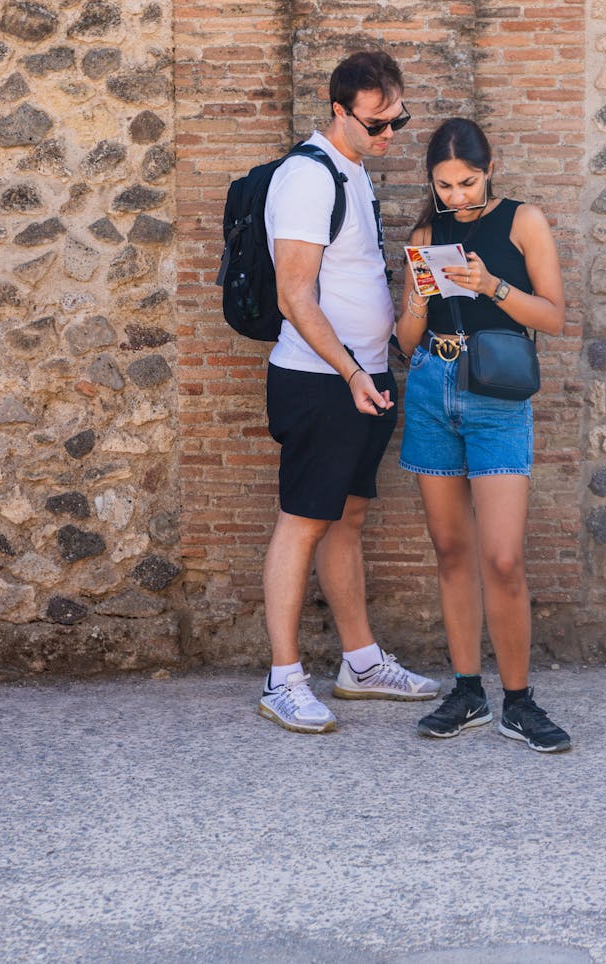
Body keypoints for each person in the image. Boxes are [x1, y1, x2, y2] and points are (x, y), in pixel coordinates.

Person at [258, 50, 439, 734]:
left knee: (349, 518)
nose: (389, 135)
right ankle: (282, 680)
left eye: (398, 121)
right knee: (303, 520)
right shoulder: (306, 177)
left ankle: (360, 664)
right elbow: (294, 294)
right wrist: (353, 373)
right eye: (376, 124)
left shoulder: (353, 170)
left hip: (364, 377)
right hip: (321, 381)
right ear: (339, 111)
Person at [395, 117, 571, 752]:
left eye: (467, 183)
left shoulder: (524, 221)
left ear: (488, 169)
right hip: (431, 385)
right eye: (444, 187)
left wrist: (490, 285)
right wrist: (419, 292)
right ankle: (467, 691)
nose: (457, 198)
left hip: (496, 394)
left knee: (502, 557)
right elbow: (404, 340)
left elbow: (552, 316)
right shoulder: (426, 232)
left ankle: (518, 703)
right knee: (450, 552)